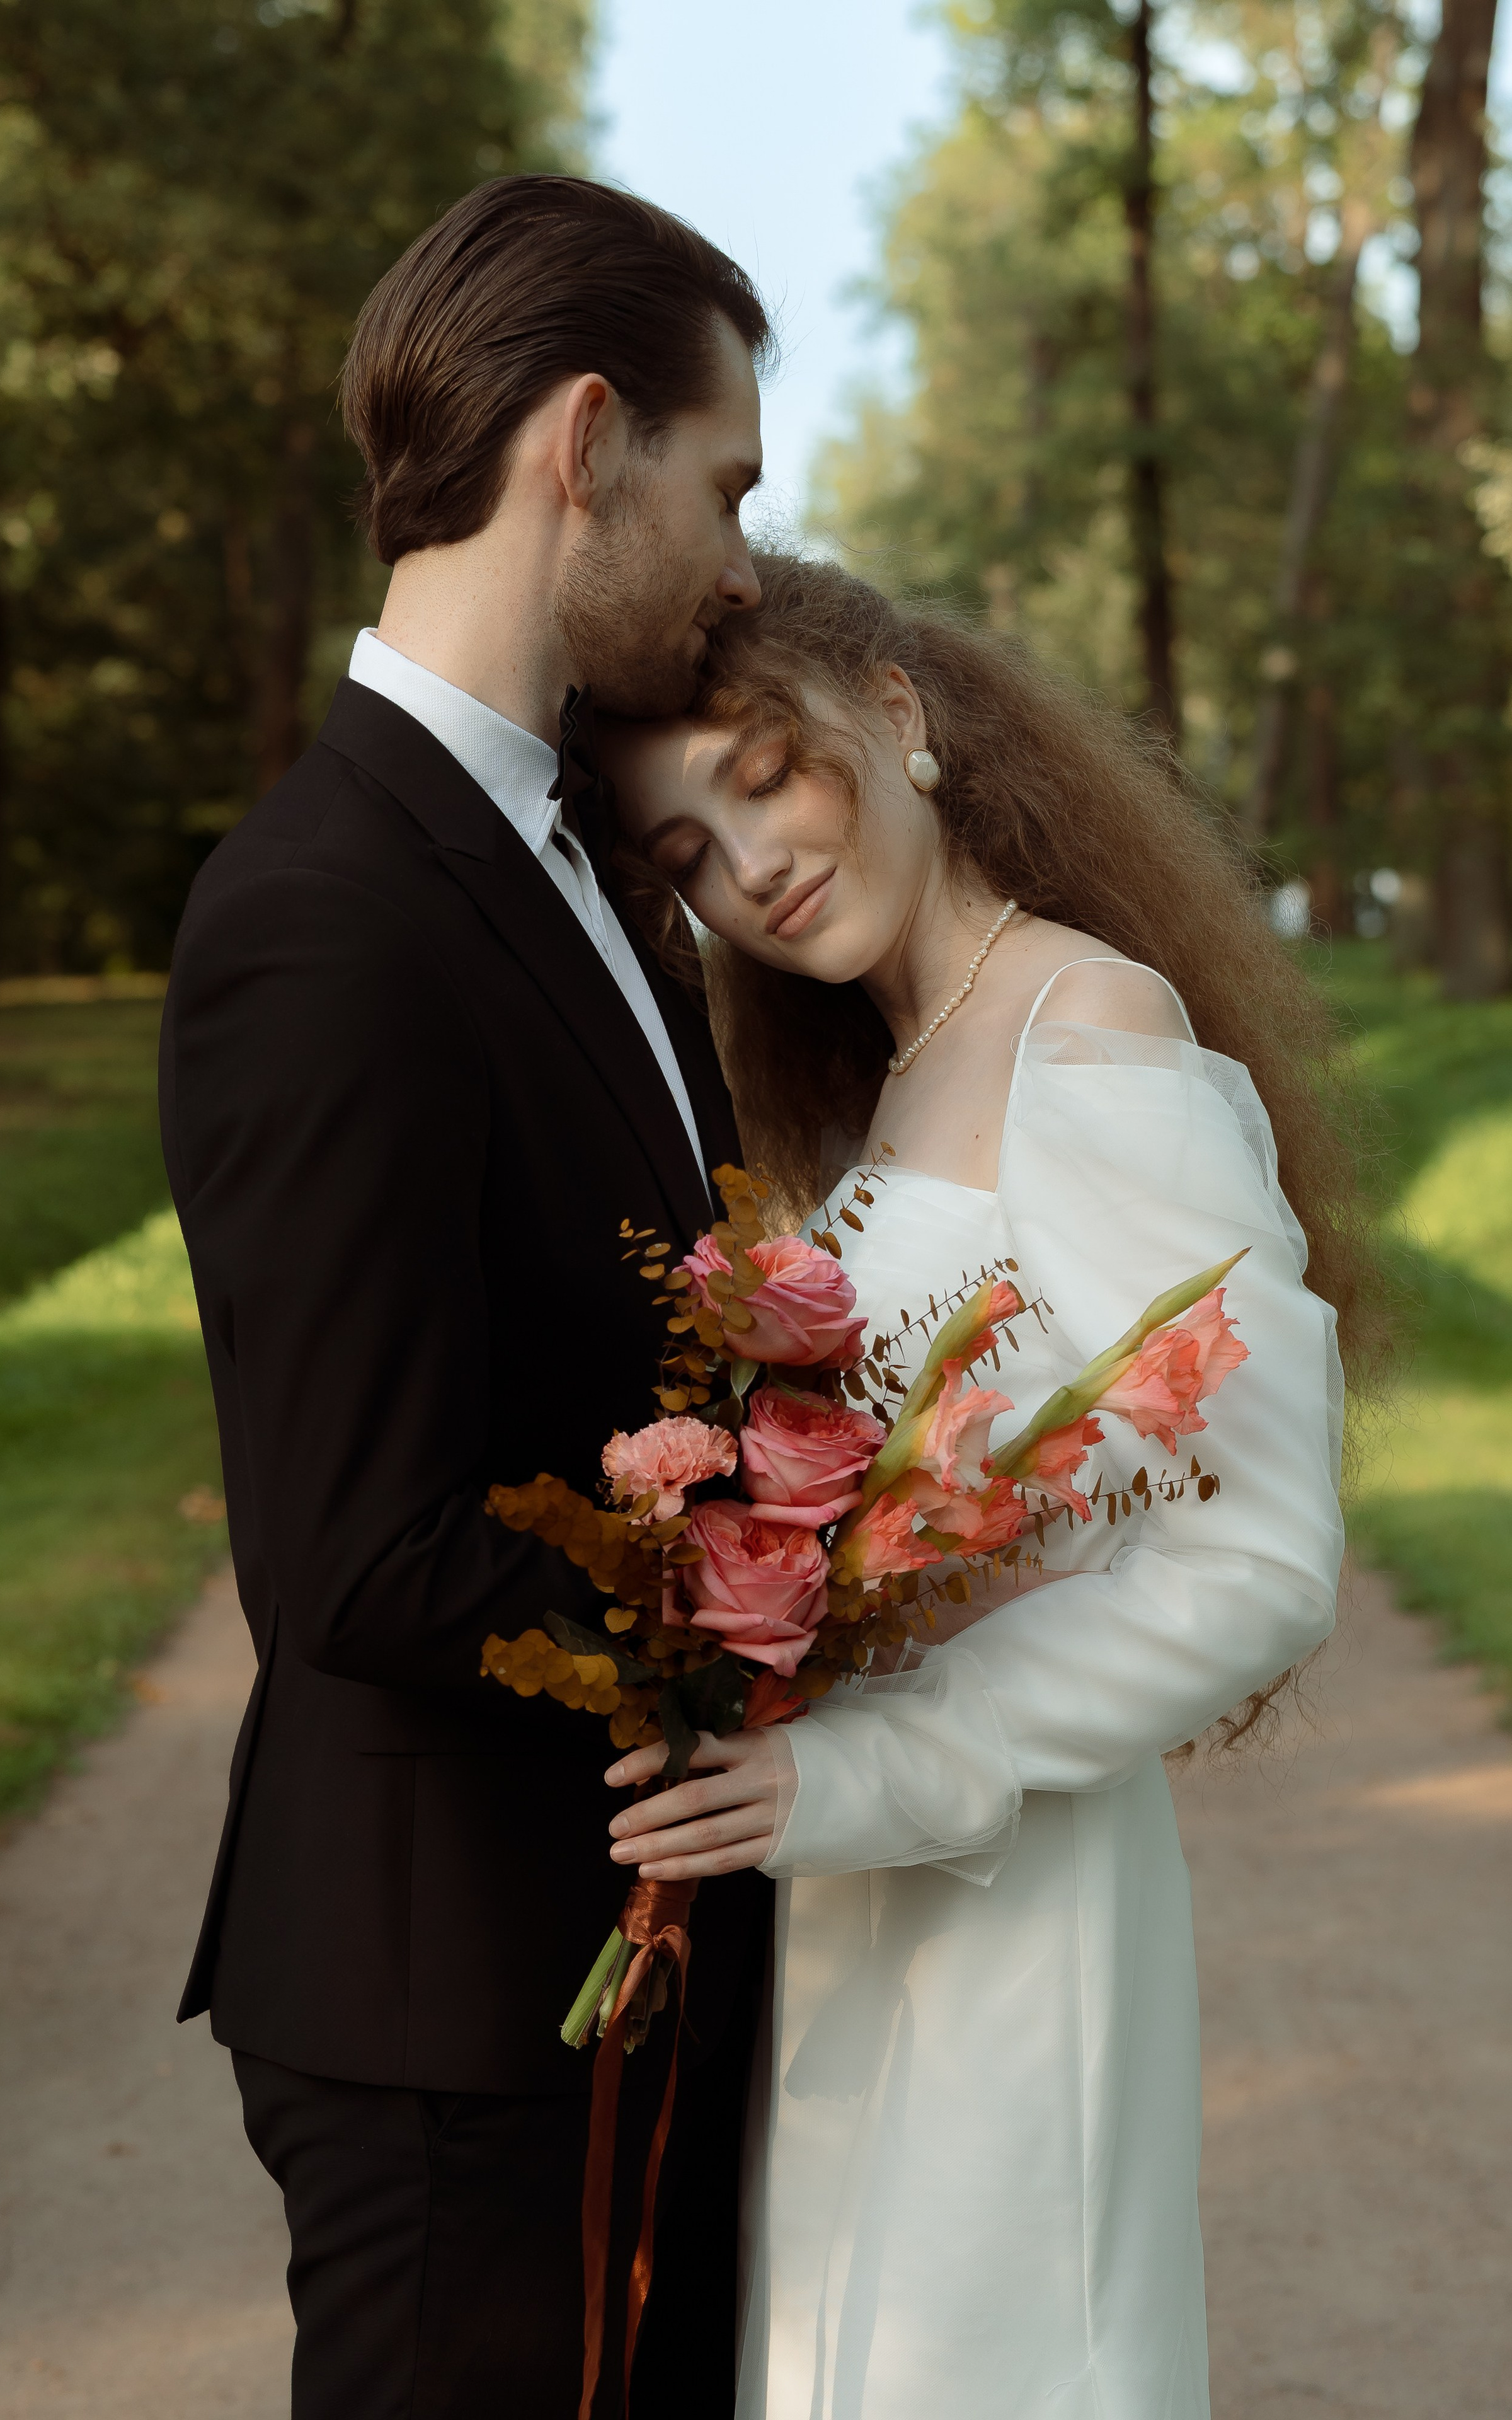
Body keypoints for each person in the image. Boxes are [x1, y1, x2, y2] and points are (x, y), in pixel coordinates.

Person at [596, 554, 1372, 2419]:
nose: (752, 867)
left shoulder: (1090, 1028)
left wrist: (860, 1767)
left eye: (763, 772)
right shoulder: (884, 1082)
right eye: (690, 851)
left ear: (902, 712)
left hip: (1014, 1900)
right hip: (859, 1902)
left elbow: (1260, 1554)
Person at [159, 177, 775, 2419]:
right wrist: (805, 1603)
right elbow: (358, 1548)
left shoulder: (594, 850)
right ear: (587, 439)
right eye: (725, 488)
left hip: (620, 1954)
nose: (739, 566)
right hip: (455, 2016)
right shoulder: (330, 905)